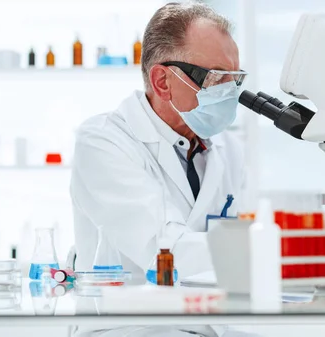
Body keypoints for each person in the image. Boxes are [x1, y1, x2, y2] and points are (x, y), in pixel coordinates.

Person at [71, 3, 257, 336]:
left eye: (236, 78)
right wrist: (274, 250)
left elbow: (242, 241)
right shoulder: (102, 142)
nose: (231, 92)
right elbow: (164, 251)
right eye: (218, 77)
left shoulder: (228, 149)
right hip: (131, 328)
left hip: (208, 325)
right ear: (162, 81)